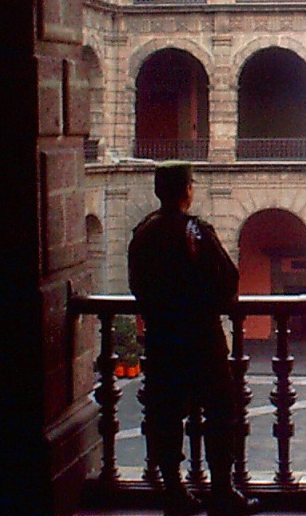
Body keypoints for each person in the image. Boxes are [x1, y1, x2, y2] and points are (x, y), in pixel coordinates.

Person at [128, 162, 258, 516]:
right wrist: (208, 308)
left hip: (161, 338)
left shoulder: (143, 232)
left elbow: (137, 284)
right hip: (201, 338)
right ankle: (221, 491)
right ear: (187, 189)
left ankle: (174, 492)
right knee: (220, 414)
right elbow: (227, 279)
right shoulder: (196, 231)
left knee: (165, 416)